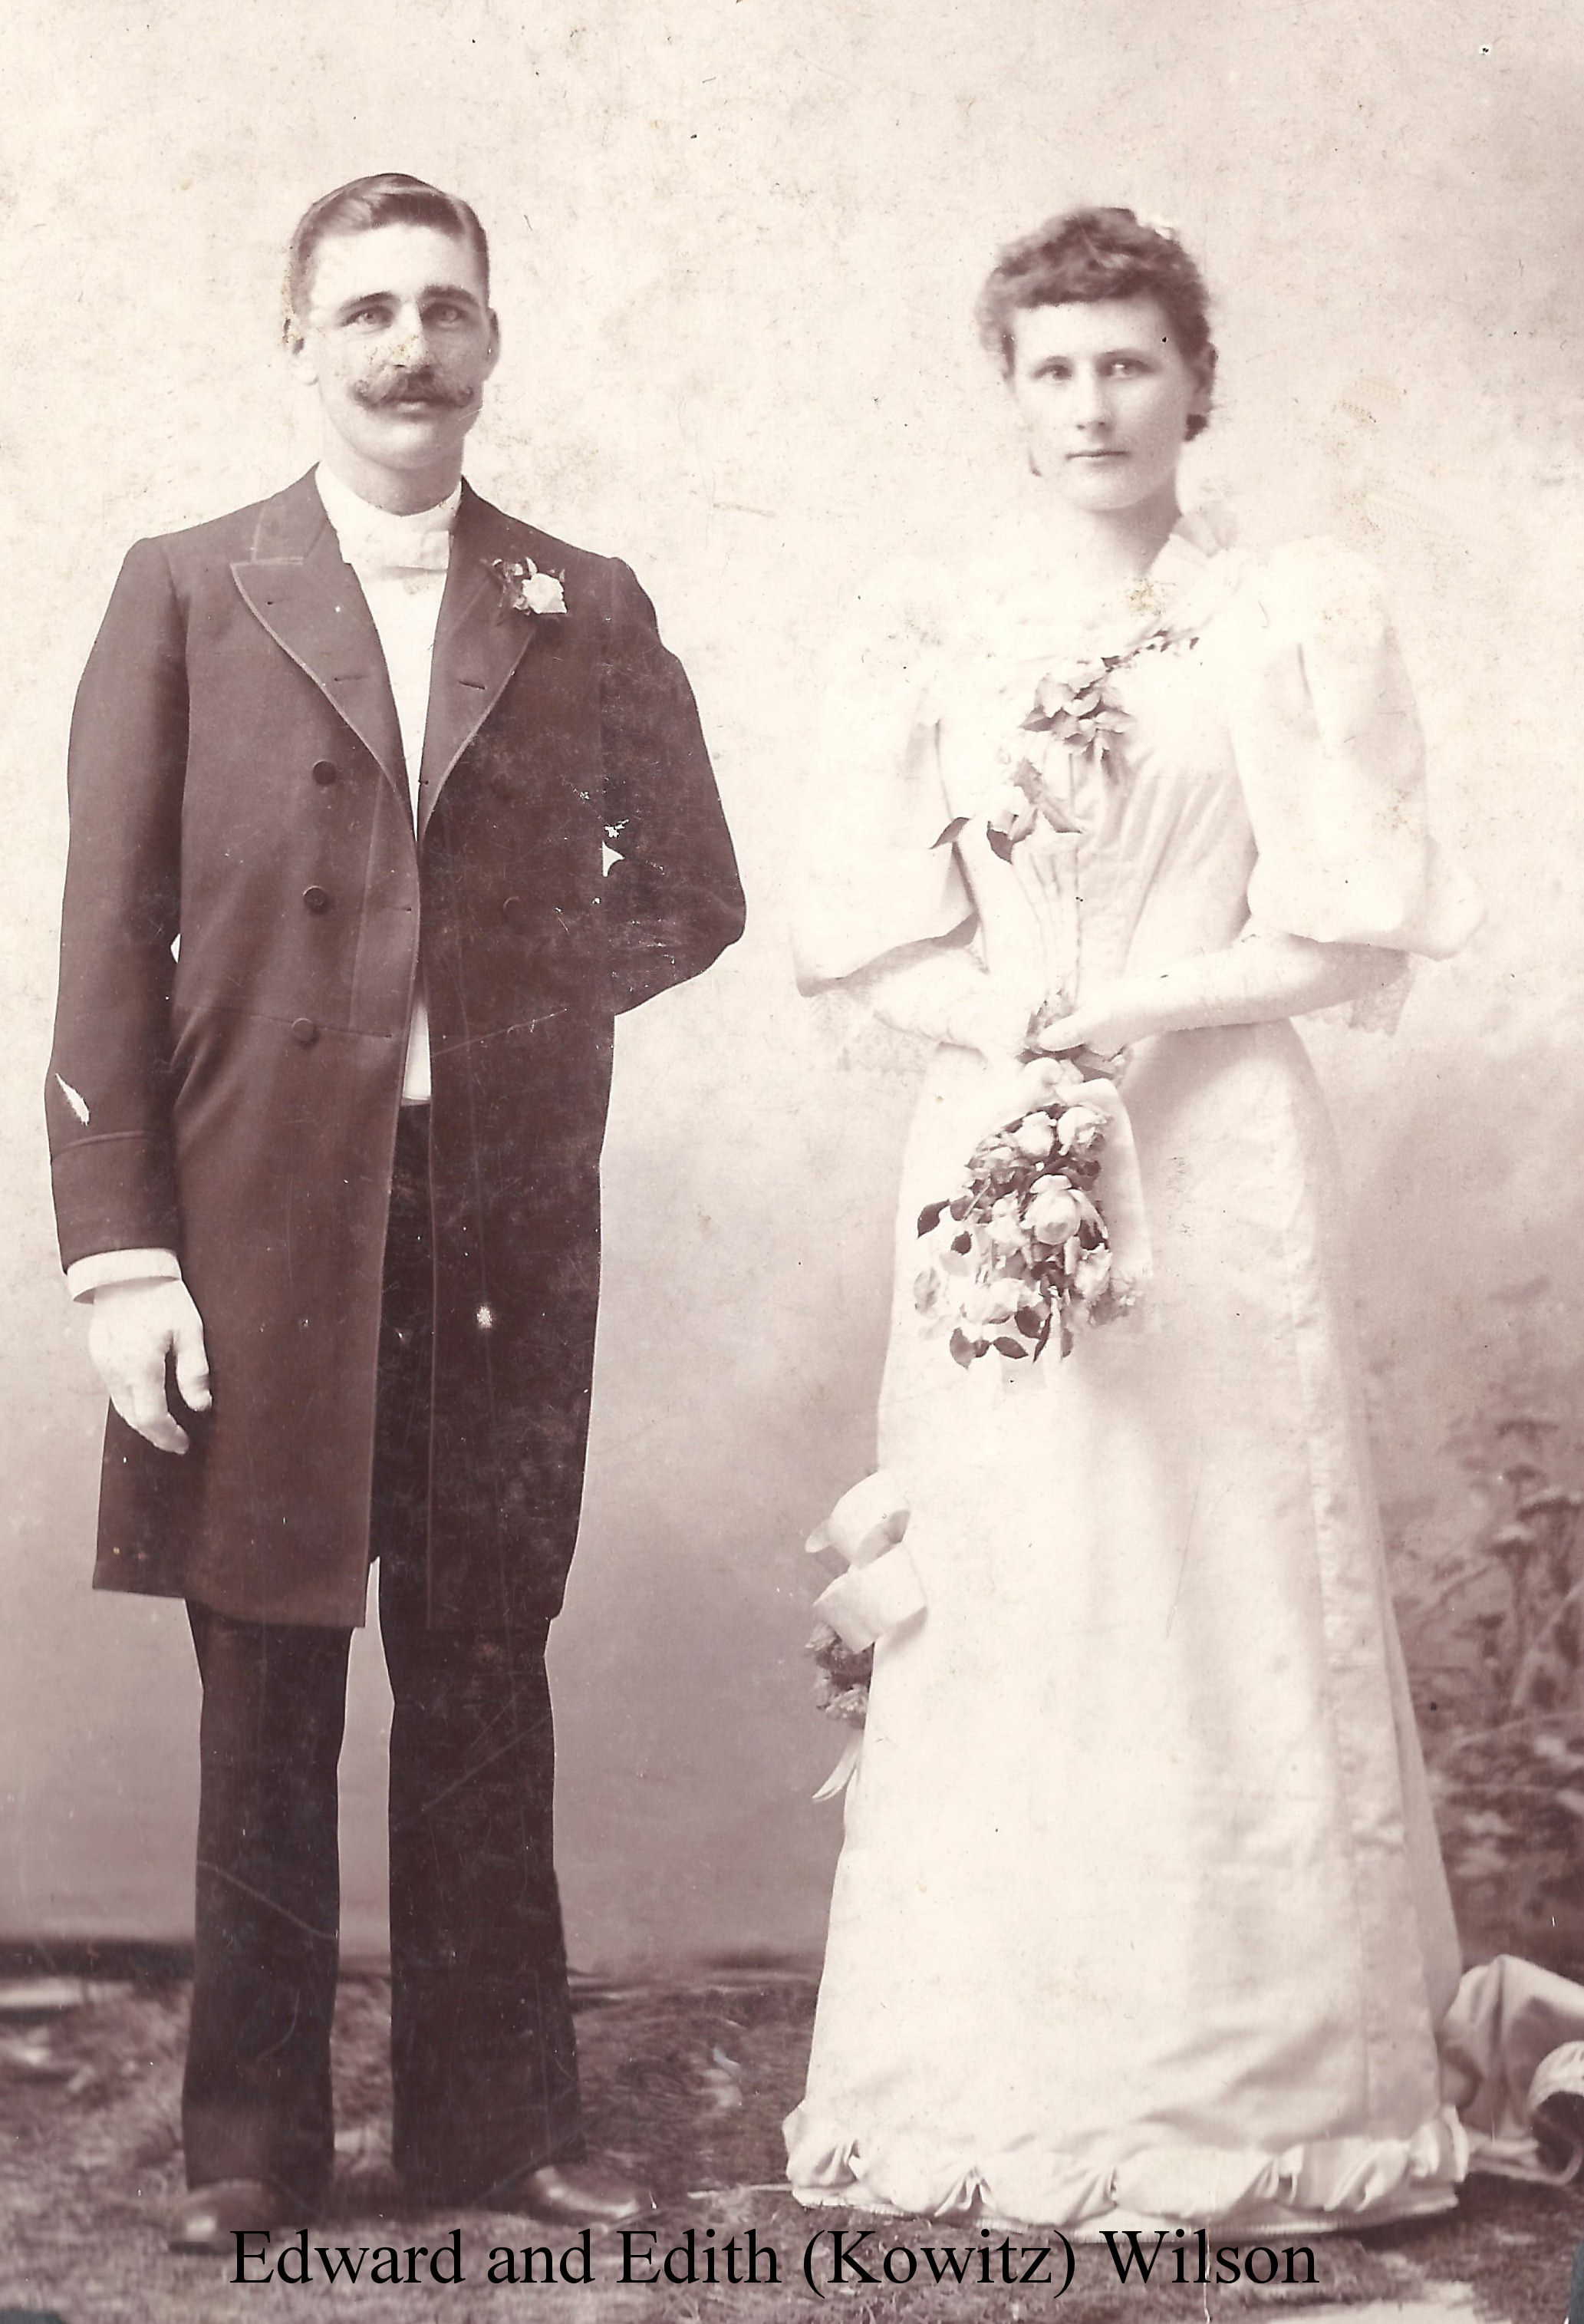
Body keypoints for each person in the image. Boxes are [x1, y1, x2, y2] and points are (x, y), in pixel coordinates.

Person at [784, 206, 1584, 2237]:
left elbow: (1340, 927)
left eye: (1125, 363)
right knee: (1025, 1565)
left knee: (1208, 1570)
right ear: (1007, 395)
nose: (1089, 404)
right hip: (997, 1129)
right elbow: (869, 927)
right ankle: (994, 2072)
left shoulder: (1288, 612)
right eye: (1050, 368)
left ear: (1195, 385)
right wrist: (1000, 1027)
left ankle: (1258, 2085)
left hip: (1209, 1138)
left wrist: (1131, 1012)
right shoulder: (932, 622)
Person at [46, 172, 745, 2253]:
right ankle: (250, 2144)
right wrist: (119, 1253)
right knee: (264, 1674)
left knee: (478, 1663)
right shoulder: (186, 589)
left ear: (492, 342)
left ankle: (492, 2129)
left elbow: (692, 891)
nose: (407, 347)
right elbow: (106, 940)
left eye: (445, 308)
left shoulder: (578, 600)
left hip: (493, 1224)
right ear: (303, 345)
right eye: (365, 311)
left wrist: (503, 1002)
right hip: (254, 1215)